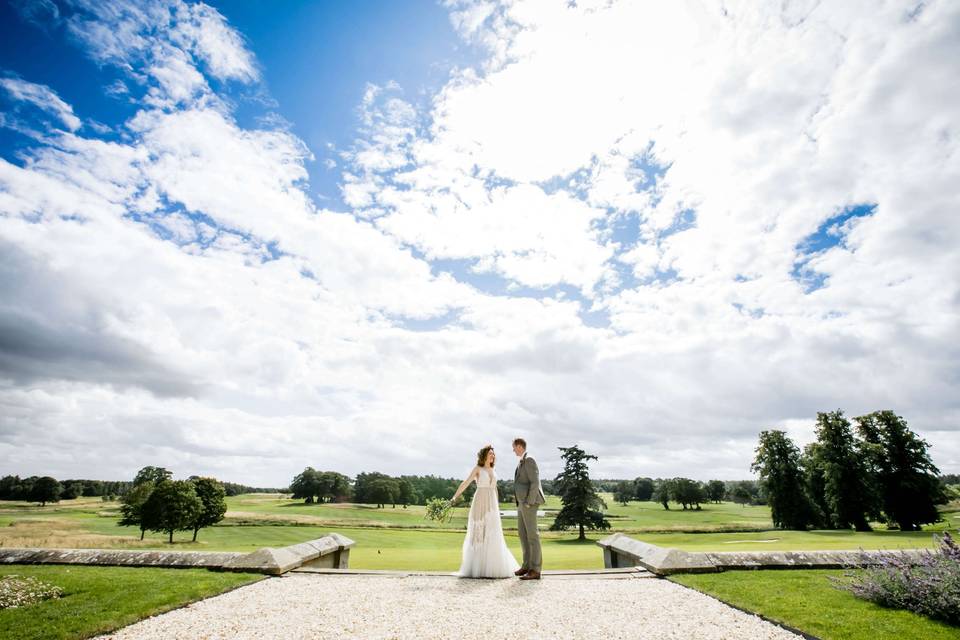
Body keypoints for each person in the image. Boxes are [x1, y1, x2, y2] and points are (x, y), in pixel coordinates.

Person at [450, 444, 520, 578]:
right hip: (480, 501)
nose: (493, 456)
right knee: (479, 532)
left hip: (492, 503)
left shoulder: (494, 471)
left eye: (493, 454)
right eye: (490, 453)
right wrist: (454, 497)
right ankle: (477, 568)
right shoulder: (478, 469)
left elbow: (495, 489)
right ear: (484, 455)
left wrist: (497, 507)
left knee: (492, 533)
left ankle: (491, 567)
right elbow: (465, 482)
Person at [513, 437, 544, 580]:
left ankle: (535, 569)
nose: (513, 450)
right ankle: (526, 566)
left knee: (532, 535)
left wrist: (529, 502)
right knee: (523, 534)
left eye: (514, 447)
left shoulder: (529, 459)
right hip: (521, 503)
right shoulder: (522, 461)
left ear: (520, 446)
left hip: (528, 503)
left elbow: (535, 482)